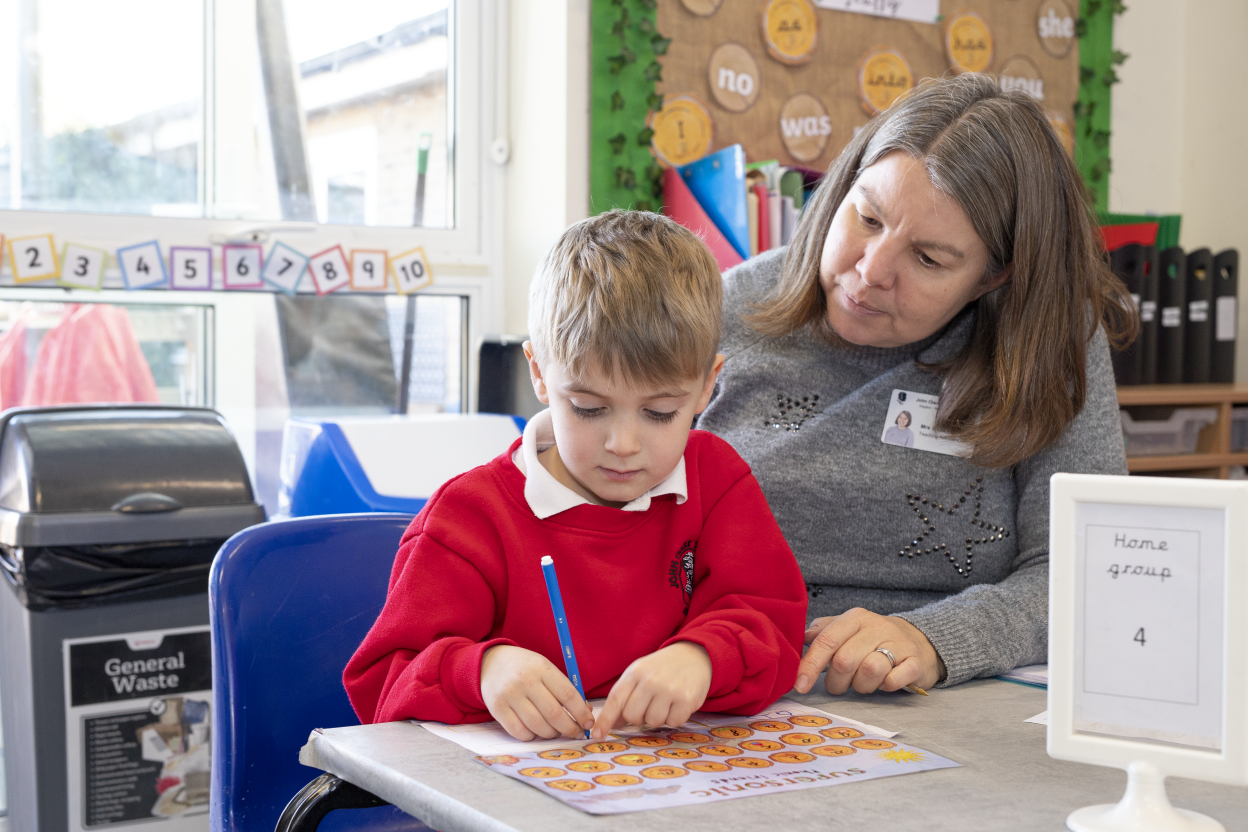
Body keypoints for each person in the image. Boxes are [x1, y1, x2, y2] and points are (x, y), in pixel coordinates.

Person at [697, 74, 1135, 697]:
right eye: (867, 217)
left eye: (929, 259)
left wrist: (935, 638)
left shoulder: (1048, 341)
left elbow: (1088, 575)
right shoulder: (715, 310)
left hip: (948, 700)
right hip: (720, 680)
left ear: (994, 278)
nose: (870, 272)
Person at [344, 210, 807, 741]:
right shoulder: (468, 519)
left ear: (707, 386)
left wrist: (701, 657)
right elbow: (383, 686)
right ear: (539, 372)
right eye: (588, 408)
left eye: (660, 413)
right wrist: (482, 672)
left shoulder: (716, 479)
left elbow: (773, 623)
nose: (624, 445)